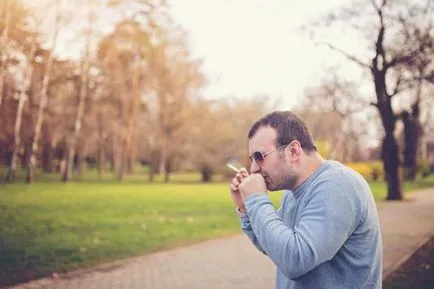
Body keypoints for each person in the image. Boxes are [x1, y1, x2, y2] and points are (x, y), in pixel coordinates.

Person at [230, 111, 382, 289]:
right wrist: (246, 209)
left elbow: (294, 261)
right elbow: (275, 247)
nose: (254, 168)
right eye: (252, 159)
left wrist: (257, 200)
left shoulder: (338, 185)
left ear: (293, 151)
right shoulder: (292, 192)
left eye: (259, 157)